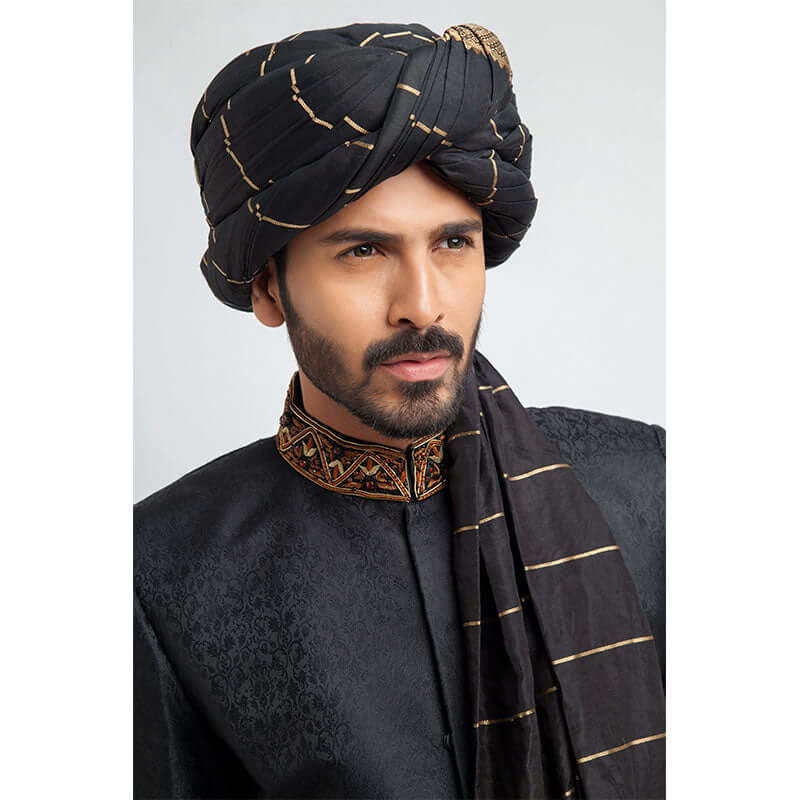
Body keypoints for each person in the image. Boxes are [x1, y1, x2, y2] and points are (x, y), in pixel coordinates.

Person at [134, 22, 665, 800]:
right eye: (363, 251)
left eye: (453, 243)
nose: (423, 305)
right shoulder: (164, 569)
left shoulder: (649, 486)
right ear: (269, 287)